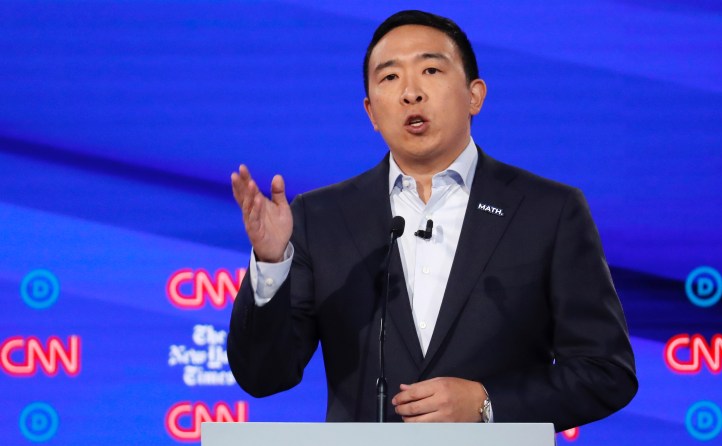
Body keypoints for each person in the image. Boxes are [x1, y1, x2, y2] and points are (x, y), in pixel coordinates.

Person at [227, 10, 637, 430]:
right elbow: (263, 376)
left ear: (475, 94)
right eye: (389, 78)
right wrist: (271, 261)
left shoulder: (548, 210)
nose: (410, 92)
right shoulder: (319, 218)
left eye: (430, 69)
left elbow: (606, 371)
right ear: (371, 111)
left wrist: (487, 403)